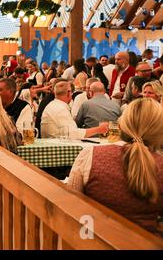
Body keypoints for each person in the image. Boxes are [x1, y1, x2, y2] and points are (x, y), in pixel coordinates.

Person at [68, 98, 163, 235]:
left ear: (122, 124)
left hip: (92, 241)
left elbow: (71, 205)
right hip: (145, 243)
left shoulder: (90, 154)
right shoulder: (160, 164)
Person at [41, 81, 109, 139]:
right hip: (59, 147)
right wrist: (99, 129)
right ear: (69, 92)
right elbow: (73, 134)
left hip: (56, 144)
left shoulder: (53, 105)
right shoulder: (60, 109)